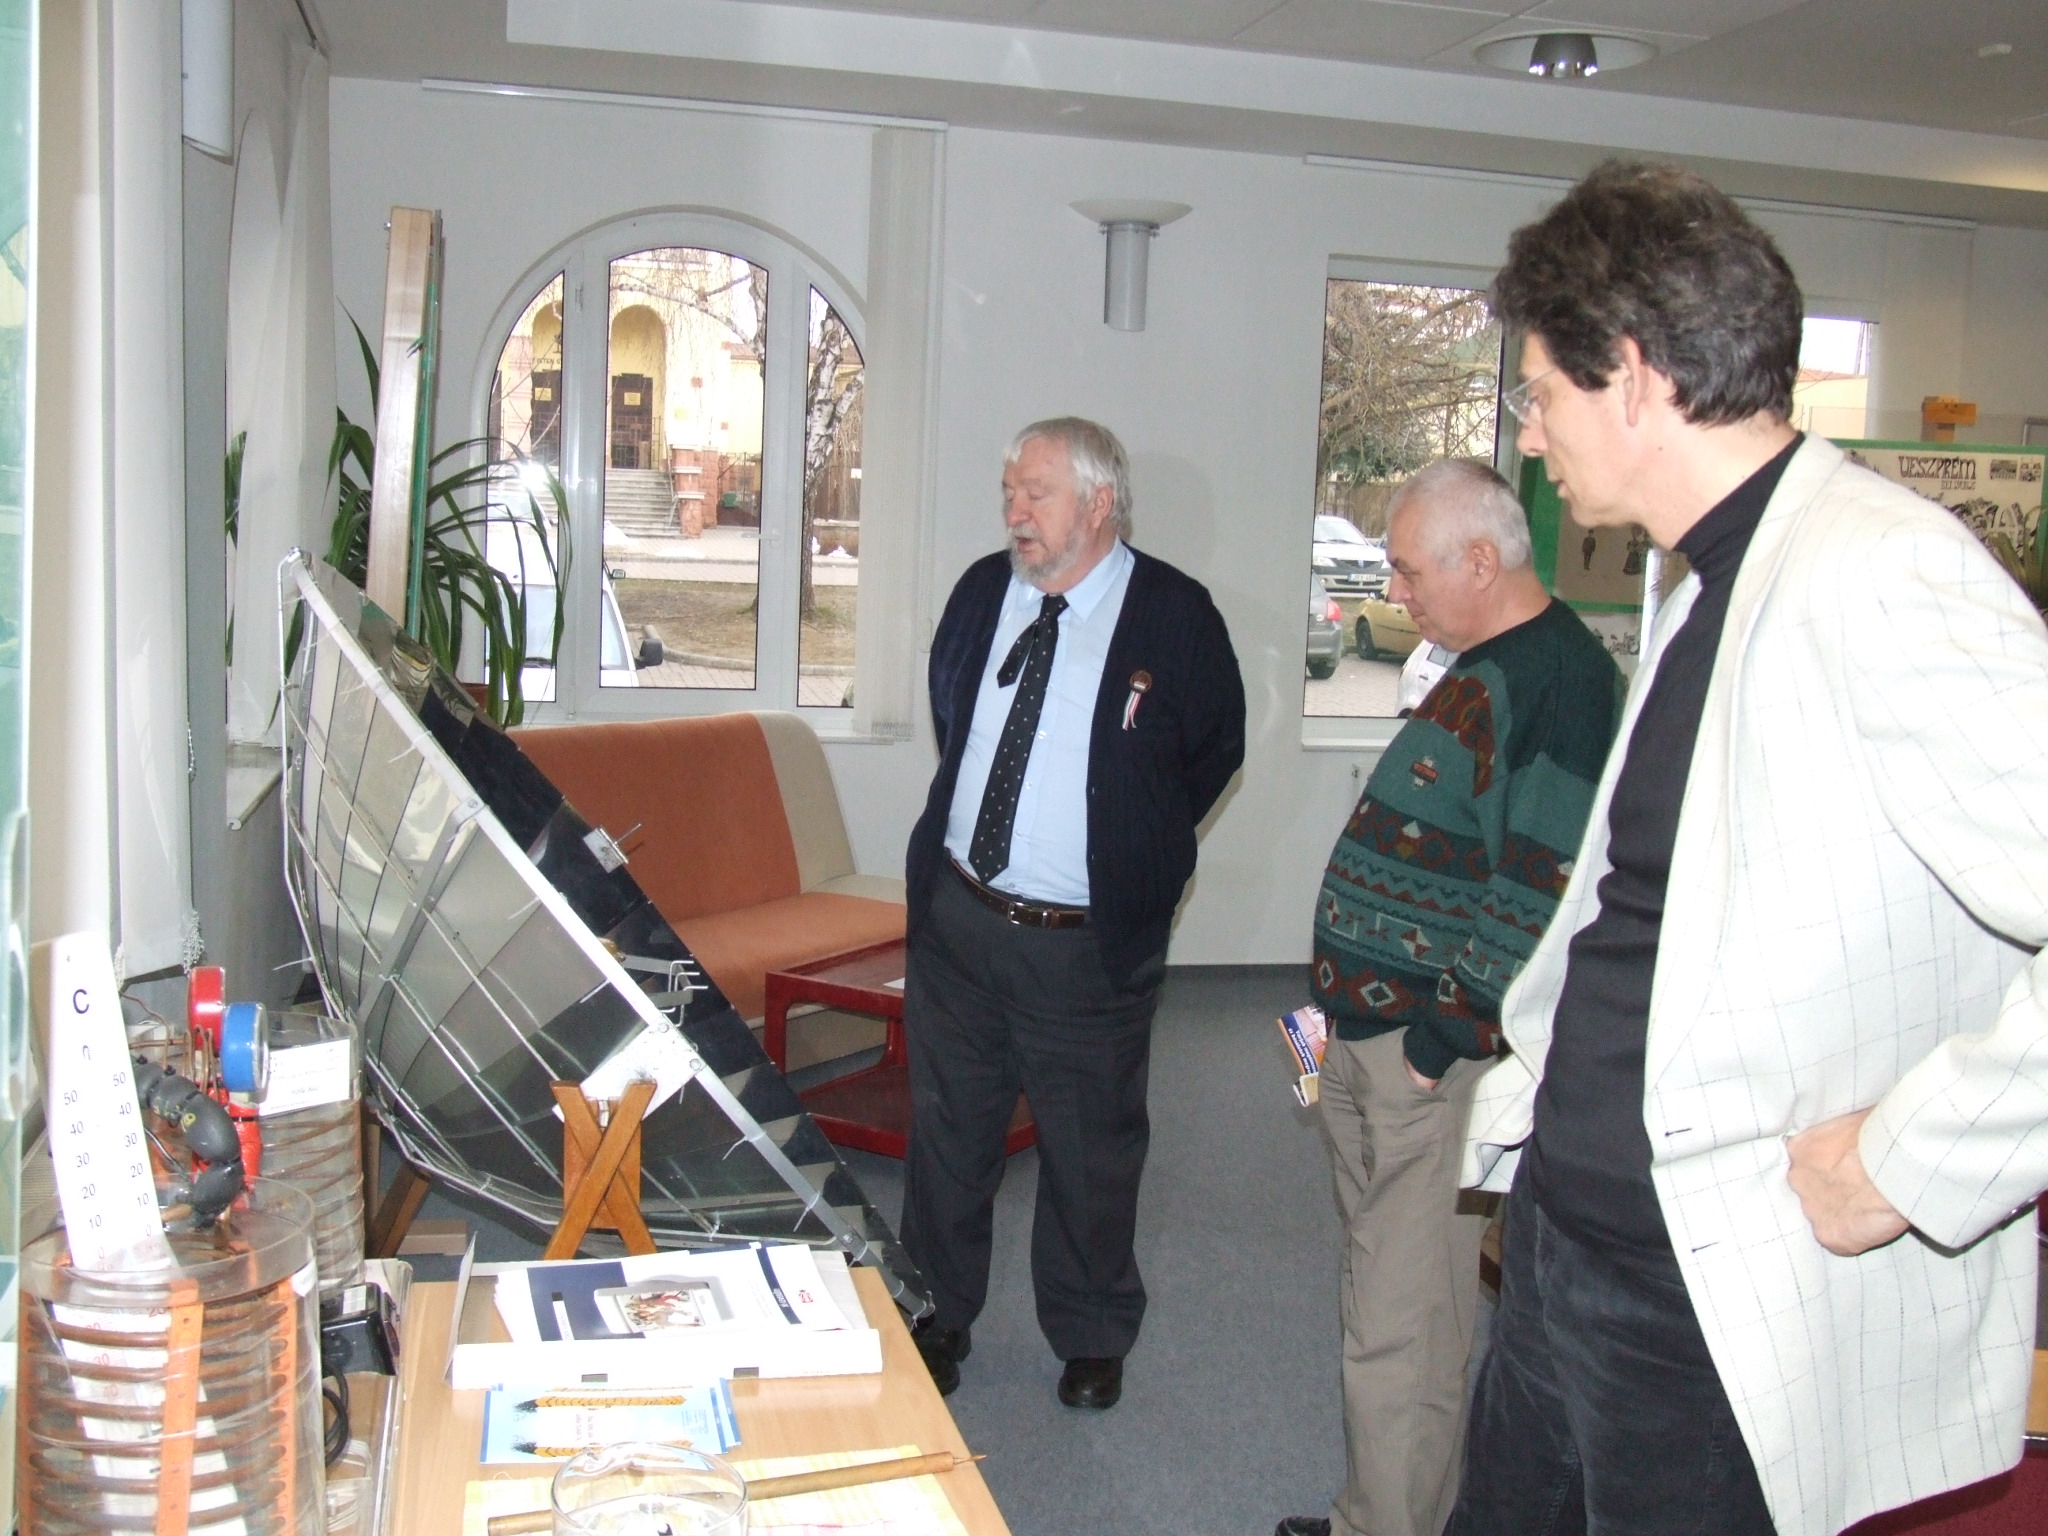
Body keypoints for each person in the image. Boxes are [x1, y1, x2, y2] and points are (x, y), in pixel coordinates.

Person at [1452, 159, 2048, 1536]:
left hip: (1705, 1296)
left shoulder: (1882, 571)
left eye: (1539, 395)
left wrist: (1910, 1160)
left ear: (1633, 376)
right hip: (1567, 1235)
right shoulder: (1711, 572)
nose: (1530, 438)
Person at [1276, 461, 1622, 1536]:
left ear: (1479, 560)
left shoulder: (1557, 679)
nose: (1397, 592)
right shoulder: (1484, 662)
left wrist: (1441, 1039)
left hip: (1423, 1056)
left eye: (1408, 570)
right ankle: (1383, 1511)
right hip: (1360, 1035)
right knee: (1388, 1292)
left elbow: (1538, 889)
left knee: (1402, 1321)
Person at [899, 416, 1245, 1409]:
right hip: (961, 922)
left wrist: (1131, 843)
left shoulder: (1175, 616)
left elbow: (1212, 752)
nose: (1015, 510)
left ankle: (1091, 1333)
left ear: (1098, 504)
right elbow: (952, 707)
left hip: (1084, 949)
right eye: (1010, 490)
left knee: (1091, 1150)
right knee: (948, 1135)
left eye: (1036, 492)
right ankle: (935, 1311)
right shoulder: (983, 590)